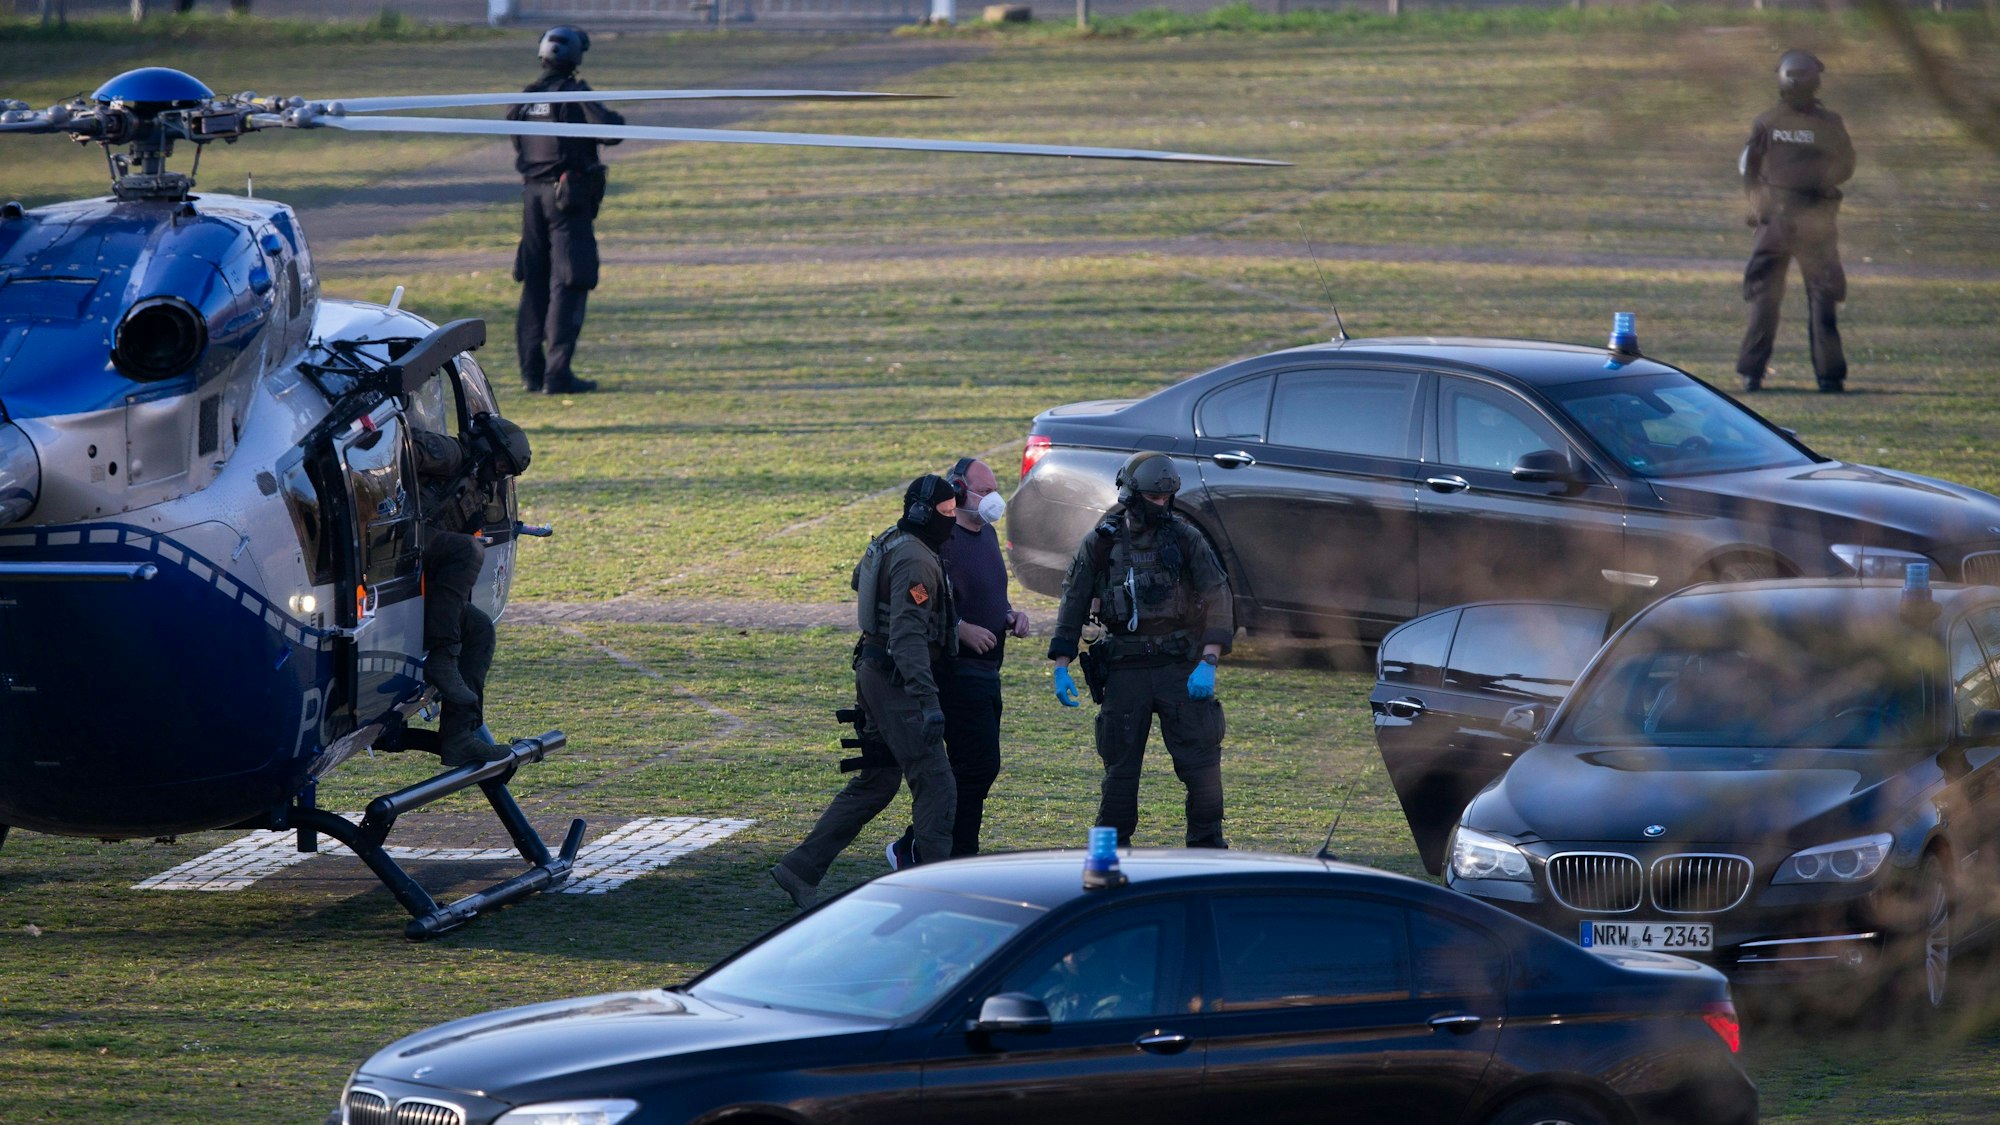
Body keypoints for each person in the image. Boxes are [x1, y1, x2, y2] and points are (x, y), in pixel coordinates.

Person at [773, 475, 962, 908]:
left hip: (875, 671)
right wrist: (928, 702)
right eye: (946, 513)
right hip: (897, 683)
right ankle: (940, 895)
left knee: (877, 779)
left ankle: (800, 869)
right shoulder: (916, 559)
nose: (951, 520)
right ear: (923, 513)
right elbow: (909, 636)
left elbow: (861, 580)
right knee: (936, 784)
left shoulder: (892, 540)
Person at [1047, 451, 1233, 848]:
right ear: (1131, 494)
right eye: (1154, 497)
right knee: (1119, 772)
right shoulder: (1101, 543)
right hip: (1124, 669)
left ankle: (1208, 854)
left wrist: (1210, 660)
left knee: (1202, 769)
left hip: (1179, 667)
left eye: (1167, 498)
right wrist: (1061, 664)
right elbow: (1074, 599)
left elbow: (1218, 594)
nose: (1162, 505)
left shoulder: (1186, 539)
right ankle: (1110, 858)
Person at [887, 458, 1031, 867]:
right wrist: (962, 628)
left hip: (988, 670)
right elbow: (923, 606)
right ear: (959, 491)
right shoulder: (940, 541)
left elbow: (989, 593)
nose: (993, 500)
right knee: (976, 767)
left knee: (975, 770)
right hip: (957, 671)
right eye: (985, 491)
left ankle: (935, 848)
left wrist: (1009, 614)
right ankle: (939, 851)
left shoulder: (984, 535)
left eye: (995, 489)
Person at [413, 412, 533, 767]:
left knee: (479, 629)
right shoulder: (448, 453)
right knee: (467, 550)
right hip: (399, 541)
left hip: (423, 562)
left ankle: (460, 736)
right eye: (499, 464)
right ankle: (443, 656)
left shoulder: (476, 485)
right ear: (484, 448)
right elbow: (397, 456)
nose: (498, 474)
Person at [510, 26, 623, 396]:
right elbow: (609, 131)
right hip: (567, 199)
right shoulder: (575, 94)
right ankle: (557, 375)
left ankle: (531, 372)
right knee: (569, 281)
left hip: (532, 199)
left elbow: (515, 135)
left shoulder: (526, 98)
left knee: (534, 282)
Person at [1735, 49, 1856, 394]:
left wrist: (1756, 205)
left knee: (1764, 296)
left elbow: (1750, 169)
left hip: (1773, 221)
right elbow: (1846, 165)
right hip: (1816, 220)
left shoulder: (1766, 121)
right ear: (1815, 81)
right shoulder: (1829, 123)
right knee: (1822, 295)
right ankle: (1830, 377)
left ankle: (1751, 374)